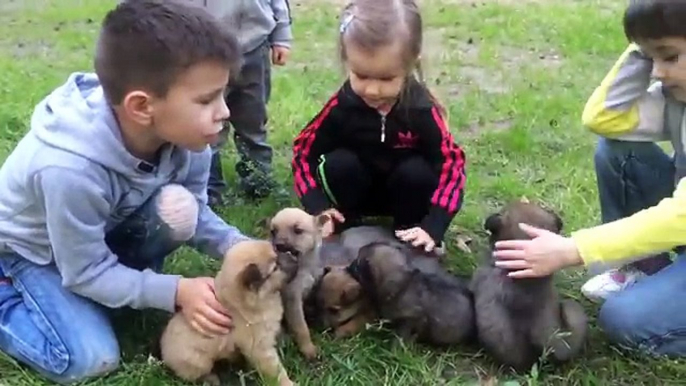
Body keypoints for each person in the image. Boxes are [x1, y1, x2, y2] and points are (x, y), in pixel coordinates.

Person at [0, 1, 253, 383]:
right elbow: (84, 271)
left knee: (179, 208)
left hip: (98, 232)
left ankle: (120, 289)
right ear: (141, 107)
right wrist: (175, 291)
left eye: (222, 95)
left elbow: (197, 212)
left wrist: (241, 247)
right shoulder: (69, 170)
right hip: (33, 254)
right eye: (206, 100)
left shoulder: (190, 137)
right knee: (89, 358)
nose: (224, 112)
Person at [494, 0, 686, 357]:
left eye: (669, 57)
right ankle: (647, 270)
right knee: (618, 151)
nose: (657, 72)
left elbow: (682, 216)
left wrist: (573, 249)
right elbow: (605, 119)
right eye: (651, 59)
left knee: (624, 322)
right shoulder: (678, 97)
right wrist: (646, 45)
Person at [291, 0, 467, 254]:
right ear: (347, 61)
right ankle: (346, 223)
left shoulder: (421, 110)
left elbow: (453, 164)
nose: (372, 90)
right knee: (339, 163)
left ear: (410, 65)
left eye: (386, 78)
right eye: (361, 76)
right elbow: (302, 152)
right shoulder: (343, 105)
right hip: (358, 190)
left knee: (416, 171)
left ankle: (413, 234)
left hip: (405, 193)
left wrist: (434, 226)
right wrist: (318, 208)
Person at [199, 0, 293, 205]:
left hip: (253, 47)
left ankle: (258, 181)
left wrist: (281, 36)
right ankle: (209, 189)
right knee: (208, 124)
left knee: (253, 119)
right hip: (202, 53)